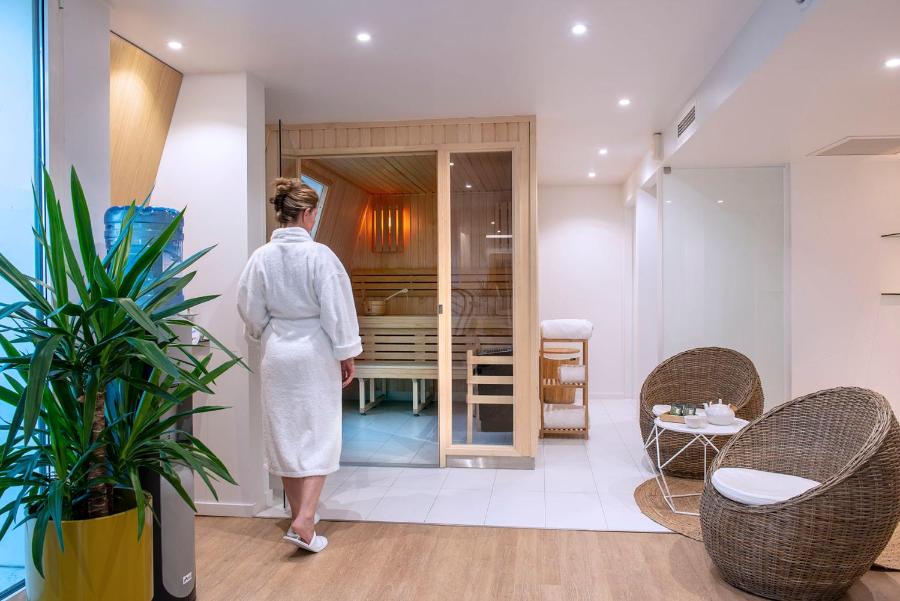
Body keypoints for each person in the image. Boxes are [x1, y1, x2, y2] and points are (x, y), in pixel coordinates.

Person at [237, 177, 361, 553]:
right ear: (307, 213)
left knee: (285, 434)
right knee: (320, 432)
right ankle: (305, 519)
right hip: (313, 354)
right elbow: (337, 310)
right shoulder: (320, 256)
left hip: (277, 354)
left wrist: (267, 333)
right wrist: (346, 353)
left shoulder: (261, 258)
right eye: (314, 213)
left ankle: (300, 518)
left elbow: (249, 308)